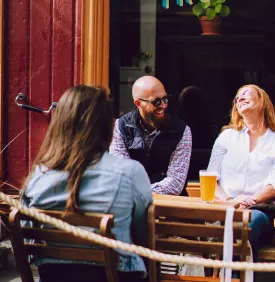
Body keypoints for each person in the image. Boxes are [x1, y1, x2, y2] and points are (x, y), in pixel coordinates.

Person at [21, 85, 153, 282]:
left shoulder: (38, 176)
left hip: (54, 277)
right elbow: (144, 237)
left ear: (60, 124)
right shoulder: (130, 172)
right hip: (117, 276)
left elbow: (28, 241)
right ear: (107, 127)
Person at [207, 85, 275, 262]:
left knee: (247, 224)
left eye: (246, 94)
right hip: (224, 206)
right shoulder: (226, 137)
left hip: (259, 210)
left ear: (262, 102)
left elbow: (274, 187)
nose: (240, 98)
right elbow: (210, 180)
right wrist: (231, 202)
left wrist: (249, 201)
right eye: (237, 97)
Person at [110, 76, 192, 196]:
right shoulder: (120, 127)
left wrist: (142, 192)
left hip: (171, 205)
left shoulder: (182, 130)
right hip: (132, 205)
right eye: (156, 102)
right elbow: (121, 175)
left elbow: (176, 183)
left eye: (165, 99)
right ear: (138, 103)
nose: (163, 105)